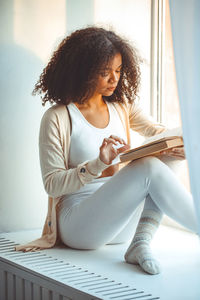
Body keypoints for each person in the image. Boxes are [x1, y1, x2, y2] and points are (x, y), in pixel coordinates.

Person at [15, 27, 198, 275]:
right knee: (147, 167)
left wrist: (178, 145)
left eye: (119, 70)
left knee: (166, 154)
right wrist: (98, 164)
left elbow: (159, 133)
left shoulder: (122, 107)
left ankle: (140, 242)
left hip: (118, 223)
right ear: (83, 72)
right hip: (79, 225)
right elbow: (52, 185)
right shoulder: (58, 117)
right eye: (105, 73)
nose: (115, 79)